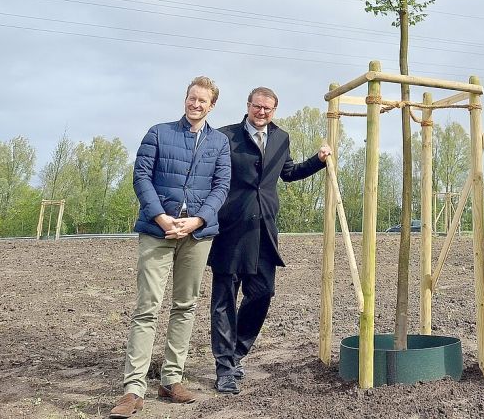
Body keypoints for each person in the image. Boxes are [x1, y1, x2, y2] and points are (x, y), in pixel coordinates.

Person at [110, 76, 232, 419]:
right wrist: (162, 218)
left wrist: (198, 221)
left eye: (202, 101)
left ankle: (171, 379)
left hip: (197, 235)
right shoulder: (159, 133)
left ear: (212, 106)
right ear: (185, 99)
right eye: (192, 98)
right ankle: (133, 389)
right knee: (147, 307)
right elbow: (141, 177)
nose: (195, 104)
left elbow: (221, 186)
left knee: (185, 306)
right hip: (157, 232)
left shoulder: (219, 143)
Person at [208, 86, 331, 394]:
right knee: (224, 300)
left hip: (264, 231)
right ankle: (224, 368)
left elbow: (287, 172)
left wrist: (318, 159)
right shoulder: (225, 136)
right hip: (230, 228)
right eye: (257, 106)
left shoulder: (281, 138)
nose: (261, 112)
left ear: (274, 110)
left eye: (268, 108)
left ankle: (237, 353)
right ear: (248, 106)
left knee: (262, 293)